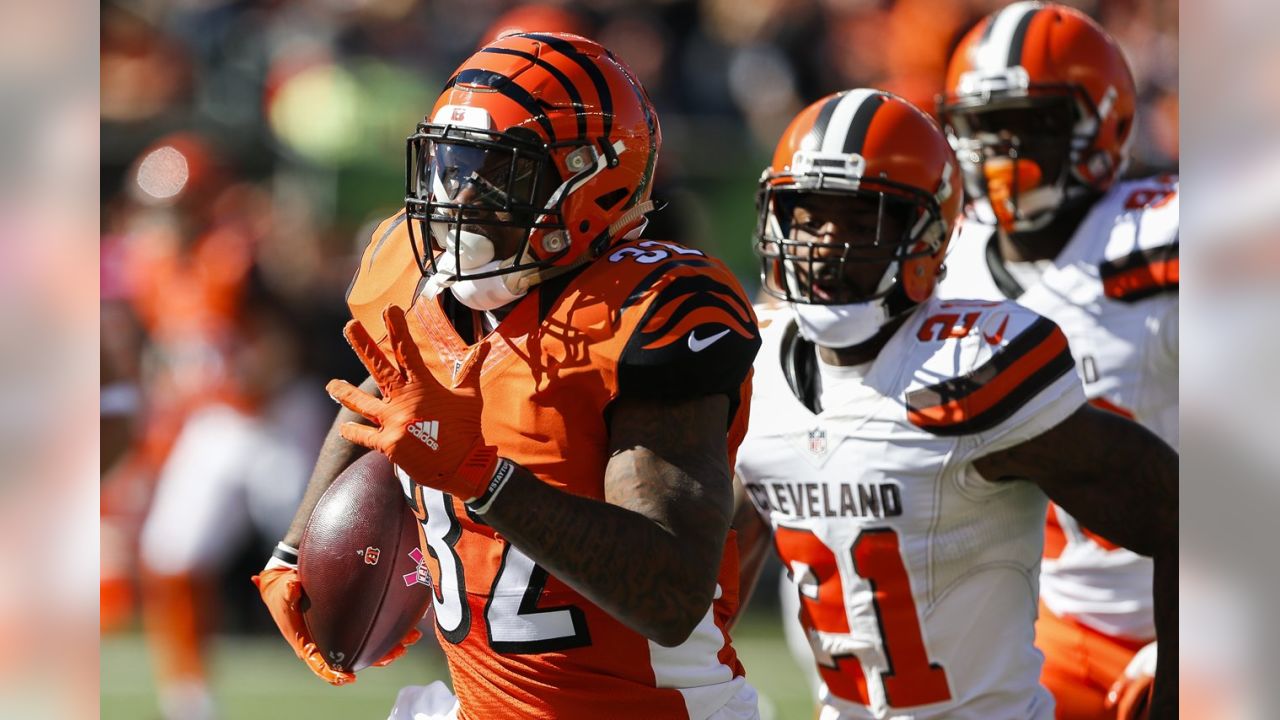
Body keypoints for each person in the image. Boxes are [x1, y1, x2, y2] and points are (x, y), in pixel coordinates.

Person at [253, 32, 763, 719]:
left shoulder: (647, 311)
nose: (459, 198)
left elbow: (667, 595)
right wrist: (295, 546)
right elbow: (390, 392)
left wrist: (480, 476)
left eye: (498, 174)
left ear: (593, 180)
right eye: (453, 167)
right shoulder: (414, 275)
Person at [729, 88, 1176, 720]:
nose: (826, 244)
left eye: (862, 221)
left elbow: (1183, 515)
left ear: (926, 236)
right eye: (807, 214)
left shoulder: (977, 364)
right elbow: (702, 599)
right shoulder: (753, 365)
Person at [935, 4, 1178, 718]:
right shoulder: (943, 265)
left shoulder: (1169, 238)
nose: (1005, 149)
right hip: (1052, 627)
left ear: (1106, 121)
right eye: (984, 127)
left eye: (1033, 123)